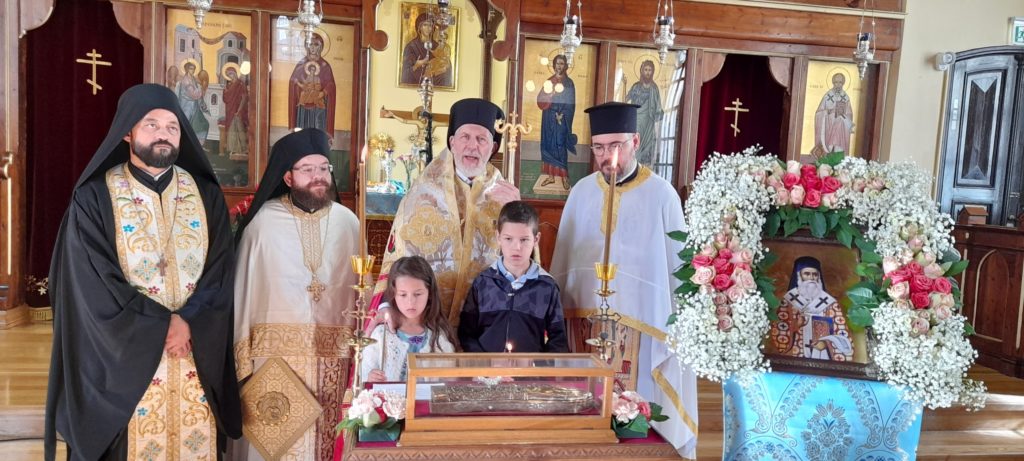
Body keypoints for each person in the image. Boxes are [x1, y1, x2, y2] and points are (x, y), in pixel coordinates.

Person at [44, 83, 241, 460]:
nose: (163, 134)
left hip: (194, 348)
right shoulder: (94, 197)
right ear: (127, 132)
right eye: (151, 124)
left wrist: (190, 320)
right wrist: (160, 325)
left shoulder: (205, 195)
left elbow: (220, 271)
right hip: (124, 360)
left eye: (172, 126)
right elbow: (91, 283)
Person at [549, 102, 697, 458]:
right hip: (585, 325)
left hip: (644, 328)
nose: (607, 156)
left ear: (635, 141)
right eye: (599, 147)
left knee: (639, 413)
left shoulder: (662, 195)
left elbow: (678, 270)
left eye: (616, 145)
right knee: (584, 405)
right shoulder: (581, 192)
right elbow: (564, 262)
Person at [232, 128, 359, 459]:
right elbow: (243, 291)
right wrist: (241, 360)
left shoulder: (348, 223)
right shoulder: (262, 223)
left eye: (324, 168)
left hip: (335, 357)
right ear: (288, 177)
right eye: (308, 169)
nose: (318, 177)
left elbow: (362, 290)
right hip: (275, 359)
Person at [368, 98, 521, 335]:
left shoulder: (505, 194)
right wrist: (387, 304)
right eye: (465, 137)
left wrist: (518, 213)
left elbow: (524, 257)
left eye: (481, 139)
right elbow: (397, 255)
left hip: (485, 324)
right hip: (425, 321)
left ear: (493, 147)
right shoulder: (423, 191)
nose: (472, 146)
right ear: (452, 142)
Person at [460, 201, 568, 353]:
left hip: (529, 367)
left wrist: (540, 365)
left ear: (536, 239)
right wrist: (485, 362)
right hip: (487, 367)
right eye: (508, 239)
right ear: (498, 237)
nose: (516, 247)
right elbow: (466, 334)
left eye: (524, 240)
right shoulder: (483, 283)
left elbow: (558, 340)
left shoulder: (547, 287)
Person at [362, 256, 457, 383]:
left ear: (429, 293)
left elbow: (451, 381)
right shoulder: (381, 334)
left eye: (417, 294)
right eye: (403, 294)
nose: (410, 302)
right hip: (389, 396)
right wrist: (370, 378)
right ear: (394, 294)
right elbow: (363, 374)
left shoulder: (439, 338)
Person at [769, 256, 853, 361]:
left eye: (815, 274)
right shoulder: (789, 301)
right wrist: (795, 326)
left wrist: (826, 343)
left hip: (823, 359)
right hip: (796, 358)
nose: (811, 278)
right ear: (799, 276)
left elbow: (842, 333)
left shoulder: (830, 303)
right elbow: (779, 330)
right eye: (807, 274)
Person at [537, 54, 577, 191]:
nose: (559, 66)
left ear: (565, 66)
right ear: (554, 65)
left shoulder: (569, 83)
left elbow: (571, 103)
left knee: (560, 145)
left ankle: (564, 177)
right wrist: (549, 95)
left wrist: (562, 114)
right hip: (548, 117)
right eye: (557, 63)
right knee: (548, 145)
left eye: (561, 63)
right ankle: (551, 176)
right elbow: (540, 99)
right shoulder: (549, 81)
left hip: (561, 119)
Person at [288, 33, 337, 132]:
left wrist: (323, 92)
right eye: (310, 44)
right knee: (303, 130)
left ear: (320, 47)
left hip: (318, 104)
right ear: (307, 46)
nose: (313, 47)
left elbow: (331, 85)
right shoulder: (301, 65)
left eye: (316, 44)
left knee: (318, 128)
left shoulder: (325, 66)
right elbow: (293, 82)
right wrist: (298, 84)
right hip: (304, 106)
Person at [400, 12, 453, 87]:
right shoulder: (411, 47)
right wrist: (416, 65)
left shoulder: (438, 46)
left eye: (430, 25)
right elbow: (405, 73)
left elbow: (447, 68)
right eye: (425, 25)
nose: (428, 28)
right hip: (417, 84)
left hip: (437, 84)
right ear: (419, 27)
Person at [625, 59, 663, 166]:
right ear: (642, 71)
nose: (647, 72)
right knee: (635, 143)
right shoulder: (636, 86)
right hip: (637, 120)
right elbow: (626, 99)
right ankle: (633, 165)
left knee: (648, 146)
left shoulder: (654, 88)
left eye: (650, 70)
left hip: (649, 122)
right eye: (646, 70)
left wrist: (659, 116)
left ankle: (644, 168)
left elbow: (658, 106)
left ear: (653, 72)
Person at [811, 72, 855, 156]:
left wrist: (843, 115)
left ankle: (837, 150)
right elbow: (818, 113)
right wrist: (828, 112)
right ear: (833, 83)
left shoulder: (845, 97)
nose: (838, 85)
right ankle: (830, 148)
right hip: (828, 126)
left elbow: (849, 115)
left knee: (840, 120)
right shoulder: (828, 96)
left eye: (840, 82)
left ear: (843, 83)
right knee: (839, 121)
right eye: (836, 82)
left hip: (841, 128)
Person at [175, 61, 211, 146]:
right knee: (186, 125)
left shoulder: (193, 79)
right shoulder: (186, 80)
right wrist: (201, 88)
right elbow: (194, 94)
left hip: (194, 107)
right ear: (187, 69)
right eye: (191, 68)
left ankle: (196, 145)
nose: (193, 70)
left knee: (203, 124)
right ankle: (183, 145)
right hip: (186, 106)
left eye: (194, 69)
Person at [221, 64, 249, 159]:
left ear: (235, 73)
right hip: (230, 110)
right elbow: (225, 99)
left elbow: (244, 98)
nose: (230, 76)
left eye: (231, 74)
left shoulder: (240, 84)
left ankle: (243, 149)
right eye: (228, 74)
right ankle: (233, 149)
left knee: (239, 128)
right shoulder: (229, 85)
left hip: (238, 110)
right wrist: (225, 91)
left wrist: (239, 110)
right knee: (231, 129)